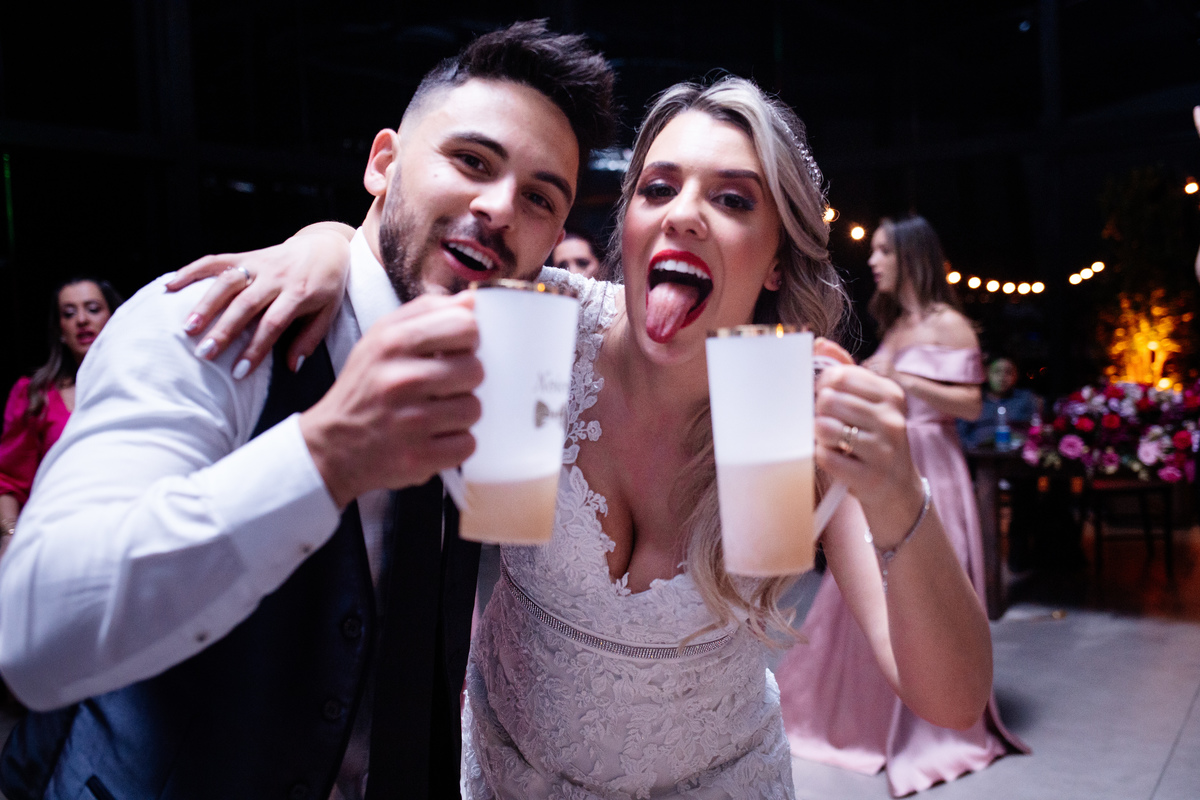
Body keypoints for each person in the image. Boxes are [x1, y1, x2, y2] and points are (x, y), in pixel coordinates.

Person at [192, 79, 996, 798]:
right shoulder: (539, 334)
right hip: (507, 775)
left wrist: (899, 496)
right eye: (659, 188)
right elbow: (405, 254)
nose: (684, 213)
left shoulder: (784, 402)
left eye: (732, 200)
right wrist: (323, 243)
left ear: (778, 259)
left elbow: (952, 700)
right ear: (630, 222)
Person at [0, 21, 616, 800]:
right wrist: (323, 455)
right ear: (383, 164)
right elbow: (28, 635)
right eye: (471, 161)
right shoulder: (206, 324)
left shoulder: (516, 356)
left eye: (538, 197)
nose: (498, 208)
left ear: (555, 238)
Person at [776, 216, 1028, 796]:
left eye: (884, 250)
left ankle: (932, 707)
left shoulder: (950, 324)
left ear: (912, 255)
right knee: (864, 588)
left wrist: (903, 380)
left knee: (924, 580)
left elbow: (970, 405)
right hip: (886, 462)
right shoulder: (896, 326)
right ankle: (866, 711)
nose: (874, 260)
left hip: (932, 463)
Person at [0, 278, 122, 562]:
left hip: (126, 534)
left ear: (115, 319)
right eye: (69, 313)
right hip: (55, 545)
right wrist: (9, 537)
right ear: (60, 332)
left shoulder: (142, 385)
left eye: (93, 309)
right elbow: (9, 481)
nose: (82, 320)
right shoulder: (35, 395)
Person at [958, 356, 1042, 449]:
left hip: (1016, 454)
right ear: (986, 374)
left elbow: (1036, 430)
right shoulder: (973, 401)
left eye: (1008, 372)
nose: (1002, 377)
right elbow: (961, 436)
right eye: (997, 372)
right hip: (979, 454)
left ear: (1016, 375)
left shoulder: (1026, 399)